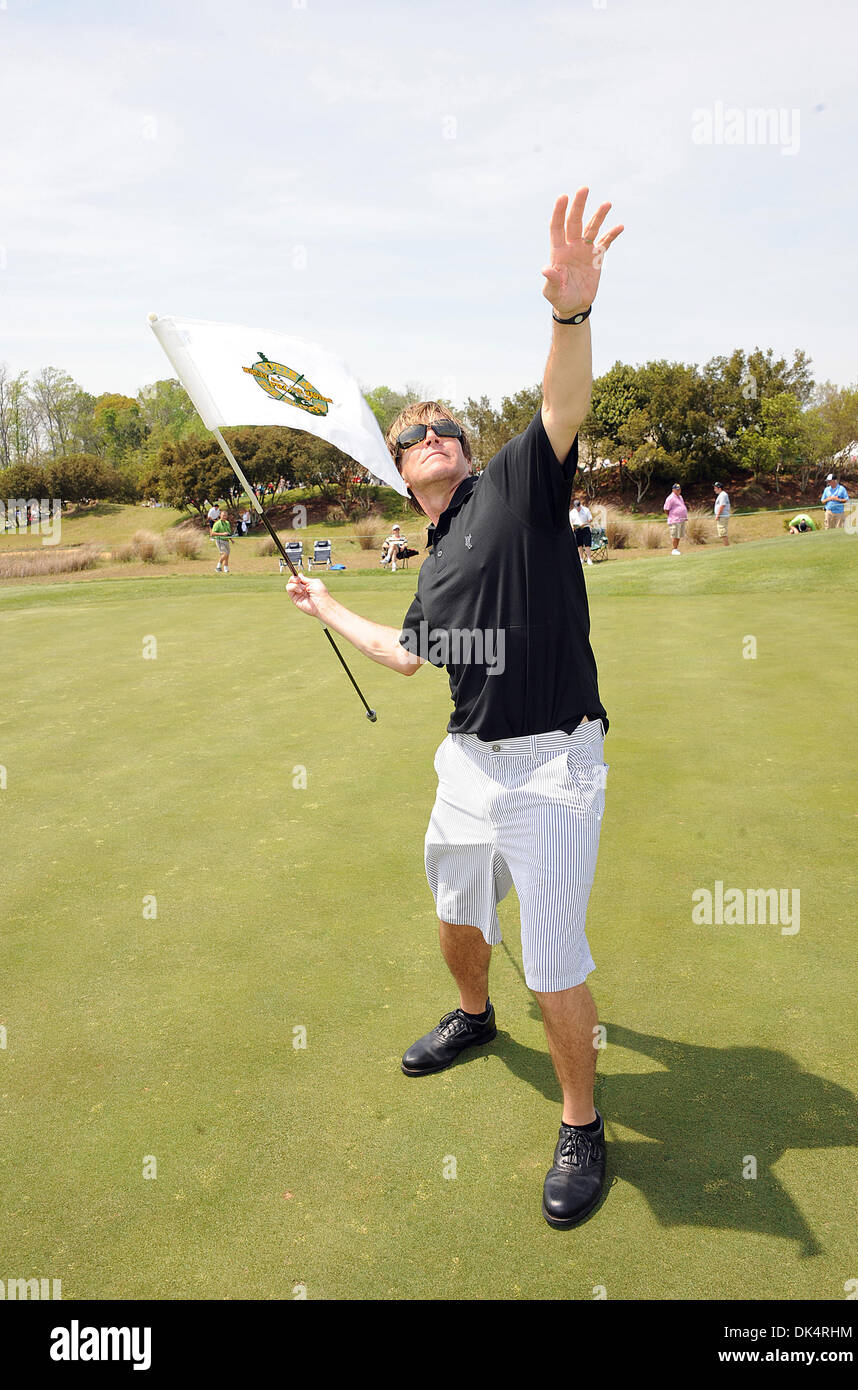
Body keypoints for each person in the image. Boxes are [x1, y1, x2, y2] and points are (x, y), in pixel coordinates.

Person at [286, 187, 623, 1230]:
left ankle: (581, 1120)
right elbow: (408, 656)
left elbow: (562, 403)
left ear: (466, 449)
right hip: (469, 762)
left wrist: (569, 315)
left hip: (555, 765)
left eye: (443, 426)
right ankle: (475, 1015)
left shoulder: (516, 490)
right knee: (455, 909)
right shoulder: (433, 560)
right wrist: (329, 602)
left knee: (556, 955)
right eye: (411, 435)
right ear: (400, 469)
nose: (429, 435)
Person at [663, 483, 688, 555]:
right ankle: (674, 549)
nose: (679, 491)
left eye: (679, 489)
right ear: (673, 490)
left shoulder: (680, 497)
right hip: (674, 519)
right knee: (675, 535)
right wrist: (672, 515)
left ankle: (676, 548)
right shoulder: (670, 498)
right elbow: (666, 509)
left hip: (681, 519)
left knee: (678, 535)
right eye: (677, 489)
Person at [569, 494, 593, 566]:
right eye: (576, 507)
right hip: (577, 529)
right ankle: (581, 559)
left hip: (585, 528)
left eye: (578, 507)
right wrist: (572, 527)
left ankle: (589, 559)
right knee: (579, 545)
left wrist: (585, 523)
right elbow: (571, 522)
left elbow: (590, 519)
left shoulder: (586, 510)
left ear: (580, 505)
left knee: (587, 544)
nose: (578, 509)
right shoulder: (572, 512)